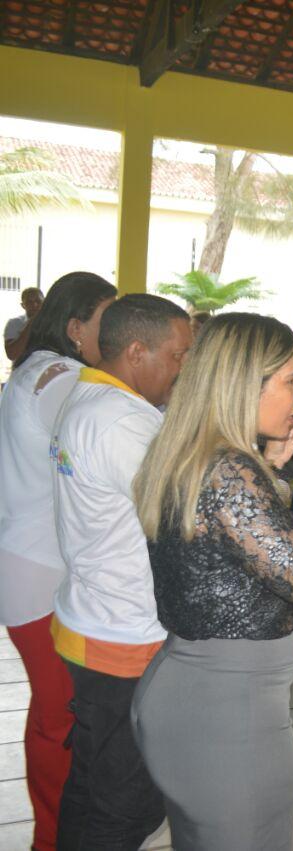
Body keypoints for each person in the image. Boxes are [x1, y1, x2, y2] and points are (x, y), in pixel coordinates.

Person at [131, 314, 293, 850]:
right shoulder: (230, 470)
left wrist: (274, 470)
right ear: (241, 383)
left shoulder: (201, 454)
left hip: (199, 693)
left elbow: (235, 553)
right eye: (291, 379)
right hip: (227, 715)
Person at [49, 293, 192, 848]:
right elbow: (184, 517)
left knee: (89, 783)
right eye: (178, 356)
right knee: (124, 803)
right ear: (137, 351)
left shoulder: (89, 397)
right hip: (122, 638)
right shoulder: (121, 423)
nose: (183, 368)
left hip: (93, 619)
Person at [0, 272, 115, 851]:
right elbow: (103, 439)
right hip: (39, 574)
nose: (118, 335)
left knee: (50, 712)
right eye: (106, 323)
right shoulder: (59, 378)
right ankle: (53, 839)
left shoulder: (37, 367)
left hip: (29, 564)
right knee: (59, 717)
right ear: (76, 329)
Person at [4, 286, 44, 362]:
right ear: (23, 305)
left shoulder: (54, 324)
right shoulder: (14, 323)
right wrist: (30, 323)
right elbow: (11, 354)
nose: (35, 305)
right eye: (29, 302)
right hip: (22, 371)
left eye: (38, 301)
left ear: (44, 303)